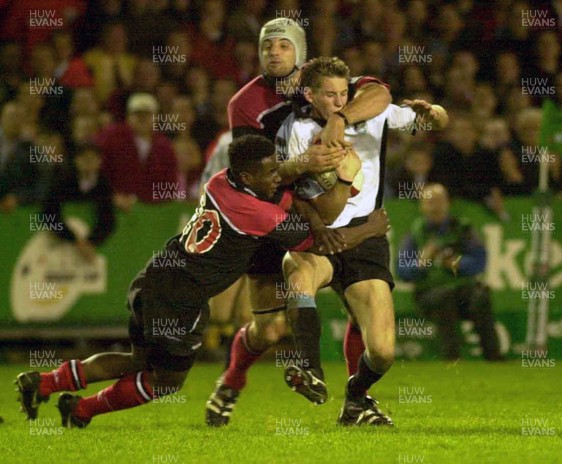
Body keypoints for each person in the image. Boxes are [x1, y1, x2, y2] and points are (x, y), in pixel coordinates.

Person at [15, 134, 389, 428]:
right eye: (270, 172)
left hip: (153, 278)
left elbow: (282, 194)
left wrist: (301, 176)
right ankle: (81, 410)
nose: (277, 175)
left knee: (138, 360)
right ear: (247, 177)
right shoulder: (255, 213)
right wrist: (366, 225)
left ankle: (48, 384)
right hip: (181, 298)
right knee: (167, 381)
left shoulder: (220, 182)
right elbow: (321, 243)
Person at [205, 17, 394, 426]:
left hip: (329, 213)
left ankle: (356, 400)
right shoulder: (244, 103)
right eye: (267, 45)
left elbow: (379, 93)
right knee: (268, 329)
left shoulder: (328, 84)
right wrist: (303, 164)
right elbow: (251, 177)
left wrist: (339, 119)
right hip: (274, 218)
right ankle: (231, 380)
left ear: (300, 53)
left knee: (360, 306)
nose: (274, 51)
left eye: (284, 45)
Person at [277, 57, 448, 426]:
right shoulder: (299, 129)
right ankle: (310, 369)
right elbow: (306, 200)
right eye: (329, 95)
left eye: (344, 94)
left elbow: (425, 117)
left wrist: (433, 112)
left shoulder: (371, 115)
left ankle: (356, 399)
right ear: (310, 95)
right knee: (297, 275)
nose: (338, 102)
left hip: (365, 243)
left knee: (384, 352)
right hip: (320, 235)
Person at [397, 183, 502, 361]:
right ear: (422, 206)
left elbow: (479, 261)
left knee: (481, 297)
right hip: (429, 293)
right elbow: (402, 271)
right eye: (430, 202)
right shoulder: (415, 234)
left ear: (447, 204)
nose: (435, 207)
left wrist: (456, 263)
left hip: (462, 290)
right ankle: (451, 358)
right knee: (443, 297)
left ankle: (494, 357)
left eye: (439, 201)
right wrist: (421, 263)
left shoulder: (462, 229)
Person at [41, 143, 115, 263]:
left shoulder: (103, 185)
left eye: (92, 159)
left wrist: (91, 242)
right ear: (77, 160)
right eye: (84, 159)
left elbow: (108, 219)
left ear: (99, 161)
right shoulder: (63, 181)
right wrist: (74, 239)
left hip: (90, 248)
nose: (88, 163)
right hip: (60, 248)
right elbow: (48, 213)